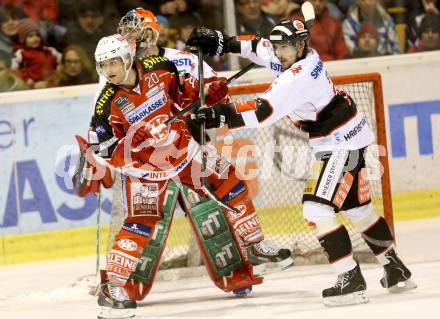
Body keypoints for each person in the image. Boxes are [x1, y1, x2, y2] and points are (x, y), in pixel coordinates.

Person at [186, 16, 417, 306]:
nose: (279, 53)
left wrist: (221, 114)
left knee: (317, 209)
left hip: (340, 144)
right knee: (359, 211)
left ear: (300, 46)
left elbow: (263, 111)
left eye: (285, 48)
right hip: (351, 138)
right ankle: (395, 269)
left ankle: (350, 278)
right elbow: (260, 47)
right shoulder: (297, 54)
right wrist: (223, 42)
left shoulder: (300, 75)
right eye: (279, 47)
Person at [91, 7, 293, 271]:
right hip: (145, 164)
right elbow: (102, 128)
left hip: (187, 147)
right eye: (125, 33)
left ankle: (241, 269)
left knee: (214, 208)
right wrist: (120, 146)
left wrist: (212, 94)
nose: (131, 38)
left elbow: (203, 95)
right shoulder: (113, 73)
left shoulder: (179, 60)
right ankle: (120, 285)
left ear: (152, 33)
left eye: (136, 31)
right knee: (142, 224)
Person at [84, 34, 265, 317]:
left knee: (228, 179)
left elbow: (184, 92)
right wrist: (131, 140)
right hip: (145, 170)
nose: (109, 70)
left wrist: (209, 91)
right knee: (141, 225)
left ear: (128, 59)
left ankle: (256, 244)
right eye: (103, 65)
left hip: (183, 151)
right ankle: (113, 288)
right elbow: (104, 151)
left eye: (114, 62)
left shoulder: (160, 67)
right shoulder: (105, 103)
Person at [11, 17, 61, 89]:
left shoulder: (49, 51)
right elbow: (14, 71)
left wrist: (57, 74)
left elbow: (61, 63)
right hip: (33, 87)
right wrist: (26, 79)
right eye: (30, 36)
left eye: (37, 35)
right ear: (23, 39)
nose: (35, 38)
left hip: (51, 84)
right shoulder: (21, 54)